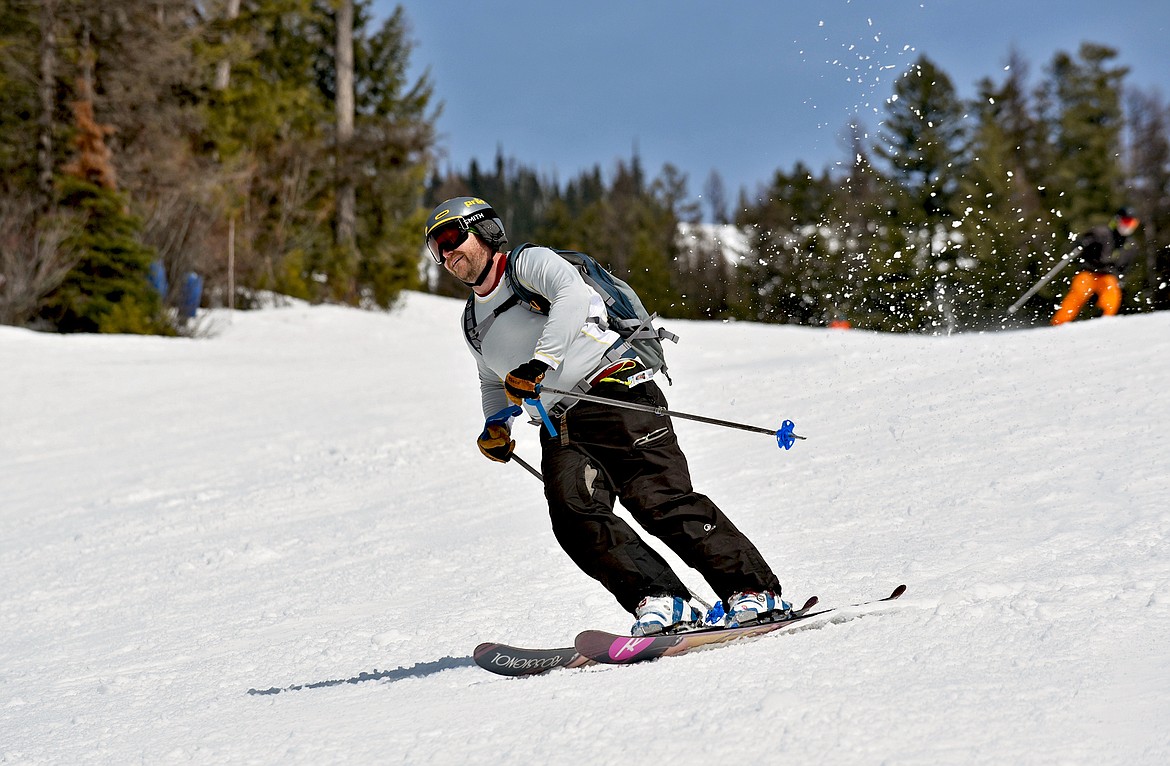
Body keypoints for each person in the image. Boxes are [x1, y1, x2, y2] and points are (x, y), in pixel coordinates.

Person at [426, 196, 787, 636]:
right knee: (575, 516)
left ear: (484, 231)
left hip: (614, 391)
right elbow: (491, 380)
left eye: (450, 238)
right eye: (435, 248)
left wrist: (540, 364)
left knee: (659, 500)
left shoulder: (529, 264)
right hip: (560, 423)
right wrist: (496, 425)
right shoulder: (472, 320)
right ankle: (663, 600)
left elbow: (572, 297)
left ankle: (753, 591)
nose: (446, 254)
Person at [1051, 208, 1141, 325]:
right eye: (1126, 222)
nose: (1128, 227)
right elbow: (1080, 244)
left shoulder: (1131, 245)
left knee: (1112, 292)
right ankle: (1059, 322)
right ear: (1117, 220)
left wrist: (1120, 277)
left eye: (1132, 223)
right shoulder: (1101, 233)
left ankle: (1104, 321)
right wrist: (1081, 244)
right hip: (1089, 271)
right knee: (1078, 292)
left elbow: (1125, 266)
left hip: (1107, 275)